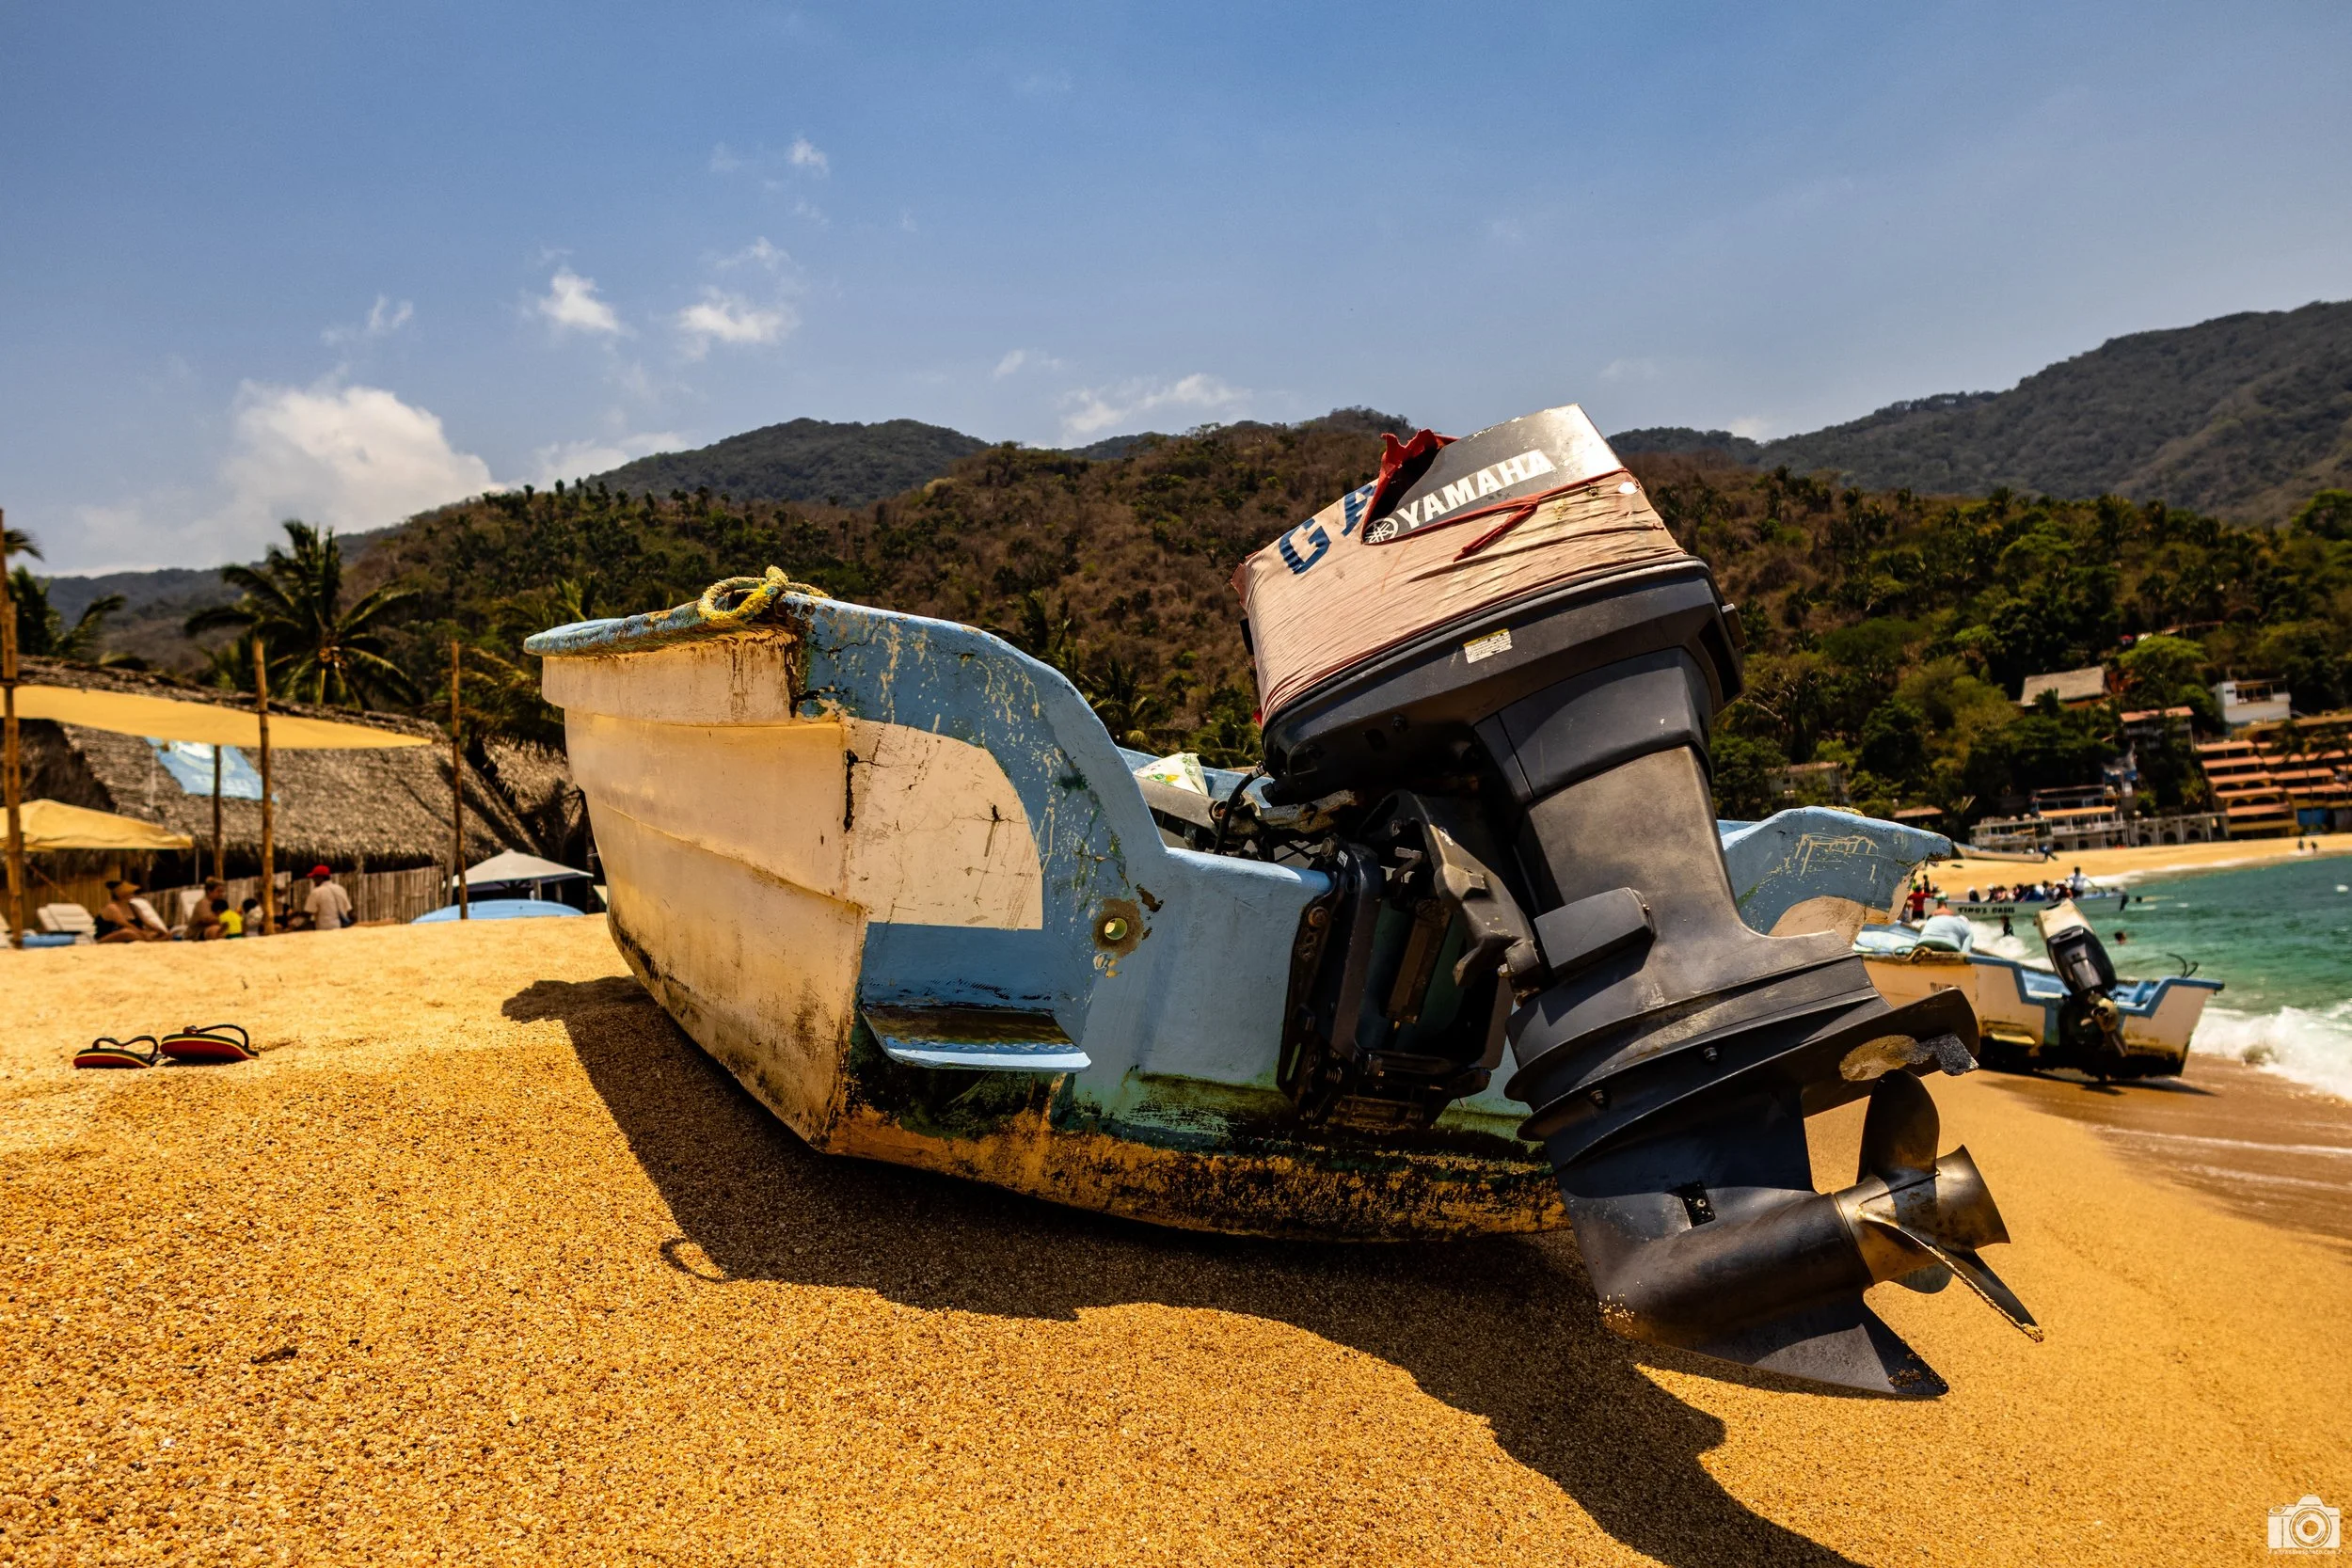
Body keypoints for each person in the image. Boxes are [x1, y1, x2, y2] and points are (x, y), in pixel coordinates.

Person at [93, 880, 167, 943]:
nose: (132, 894)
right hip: (108, 936)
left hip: (135, 933)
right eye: (130, 892)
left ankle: (151, 941)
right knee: (127, 932)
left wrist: (161, 931)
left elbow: (147, 922)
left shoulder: (133, 906)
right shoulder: (112, 907)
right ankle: (151, 941)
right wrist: (143, 934)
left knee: (155, 933)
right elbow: (126, 924)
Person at [303, 864, 355, 931]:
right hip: (342, 929)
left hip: (325, 929)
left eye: (314, 878)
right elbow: (349, 910)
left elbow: (308, 914)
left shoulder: (316, 892)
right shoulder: (340, 889)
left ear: (320, 878)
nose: (313, 880)